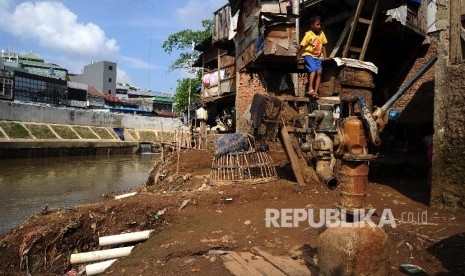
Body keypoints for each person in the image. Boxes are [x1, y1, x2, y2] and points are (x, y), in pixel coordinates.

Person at [297, 16, 327, 99]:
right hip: (309, 55)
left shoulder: (322, 34)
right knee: (313, 69)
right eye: (317, 25)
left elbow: (324, 45)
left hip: (318, 57)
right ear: (312, 25)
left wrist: (325, 57)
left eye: (320, 25)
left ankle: (315, 92)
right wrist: (298, 54)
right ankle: (310, 88)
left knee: (319, 72)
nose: (319, 26)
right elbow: (302, 45)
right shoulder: (308, 34)